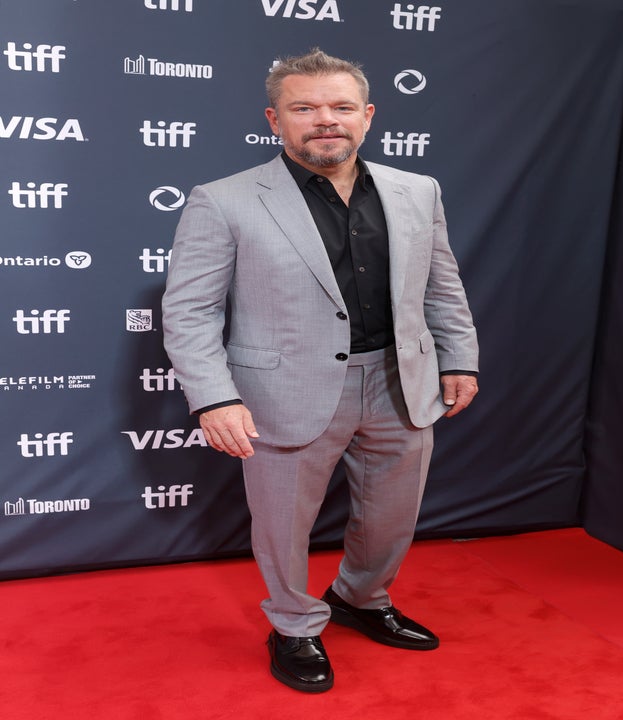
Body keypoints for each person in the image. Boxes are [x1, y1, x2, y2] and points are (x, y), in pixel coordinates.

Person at [162, 49, 479, 693]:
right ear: (275, 120)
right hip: (282, 390)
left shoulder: (418, 191)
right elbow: (190, 311)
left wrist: (460, 356)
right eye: (305, 108)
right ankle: (294, 625)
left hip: (400, 383)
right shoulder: (222, 201)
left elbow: (441, 286)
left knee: (392, 515)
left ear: (367, 117)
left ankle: (362, 598)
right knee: (283, 525)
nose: (324, 121)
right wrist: (213, 398)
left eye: (339, 108)